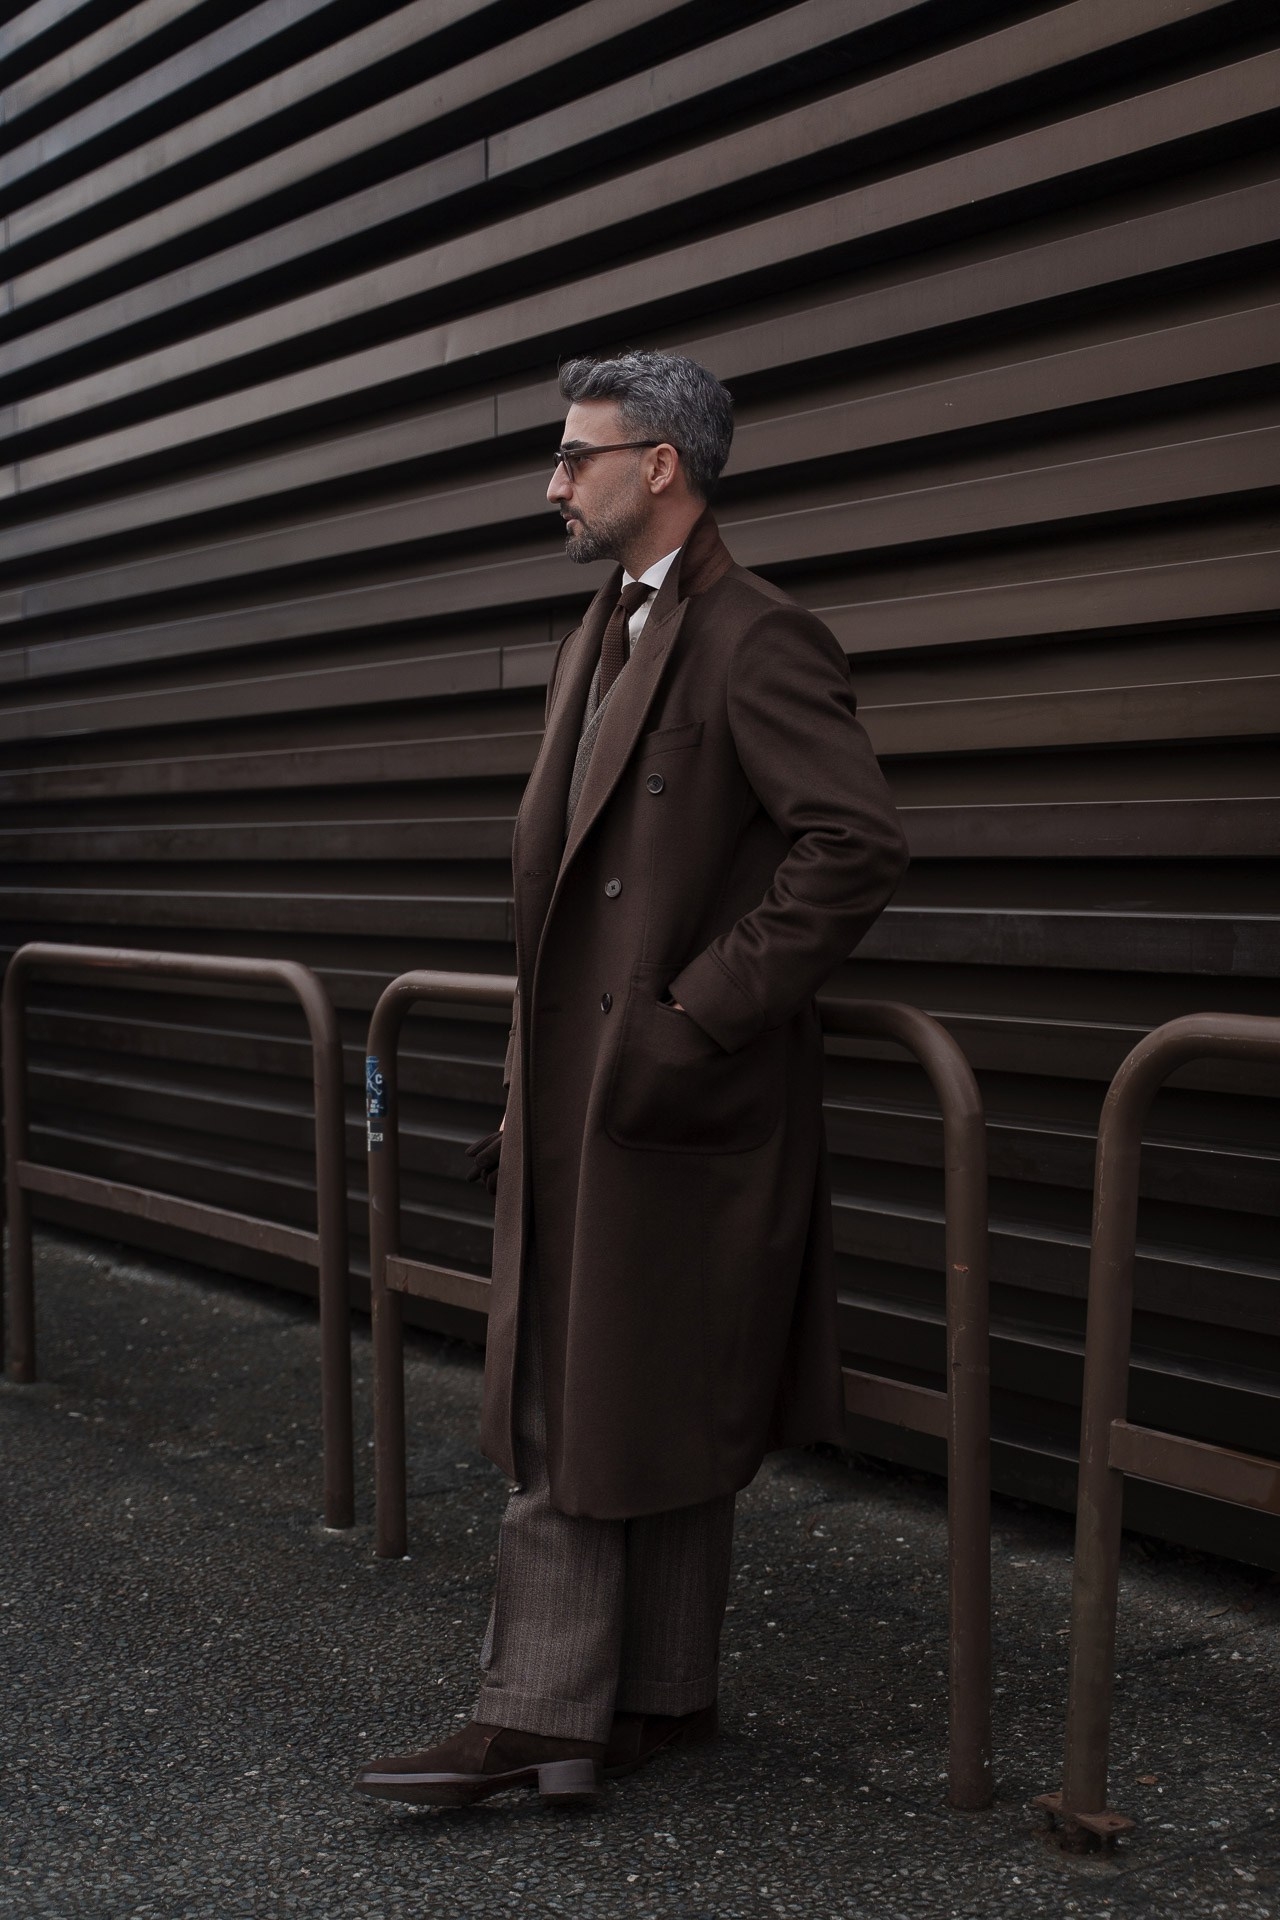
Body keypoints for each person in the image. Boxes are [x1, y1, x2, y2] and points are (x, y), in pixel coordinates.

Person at [354, 350, 908, 1809]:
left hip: (675, 1090)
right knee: (628, 1389)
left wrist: (693, 1013)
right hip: (594, 1090)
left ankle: (533, 1713)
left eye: (575, 456)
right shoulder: (604, 624)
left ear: (660, 465)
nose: (553, 483)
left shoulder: (757, 635)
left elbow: (853, 845)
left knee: (583, 1401)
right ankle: (658, 1695)